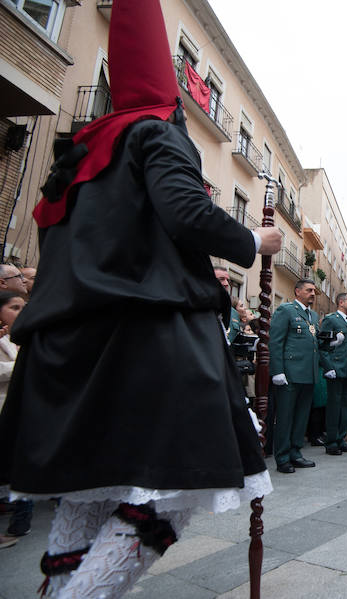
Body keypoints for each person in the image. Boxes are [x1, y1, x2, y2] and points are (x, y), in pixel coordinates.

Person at [0, 1, 281, 595]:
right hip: (144, 344)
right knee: (173, 494)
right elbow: (186, 214)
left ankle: (58, 590)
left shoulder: (75, 161)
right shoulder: (156, 130)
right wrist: (256, 238)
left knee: (89, 491)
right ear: (171, 95)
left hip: (65, 350)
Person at [269, 278, 320, 473]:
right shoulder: (286, 310)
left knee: (301, 417)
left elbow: (314, 344)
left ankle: (296, 453)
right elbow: (276, 342)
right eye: (309, 290)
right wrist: (278, 371)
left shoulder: (313, 316)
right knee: (285, 417)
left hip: (308, 373)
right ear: (297, 291)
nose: (313, 294)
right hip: (290, 373)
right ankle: (282, 457)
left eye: (314, 290)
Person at [319, 293, 347, 456]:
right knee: (334, 406)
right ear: (341, 302)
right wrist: (328, 367)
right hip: (336, 368)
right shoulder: (331, 319)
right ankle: (331, 441)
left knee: (346, 406)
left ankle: (341, 438)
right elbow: (323, 345)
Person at [0, 292, 28, 549]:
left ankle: (21, 522)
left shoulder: (21, 338)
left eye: (23, 307)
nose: (20, 312)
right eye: (14, 307)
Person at [214, 266, 242, 343]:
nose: (226, 284)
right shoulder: (201, 307)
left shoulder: (234, 313)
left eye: (228, 280)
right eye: (221, 279)